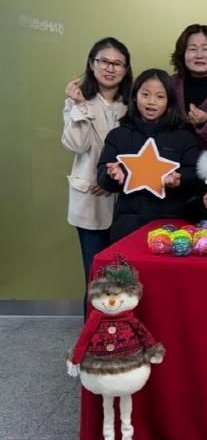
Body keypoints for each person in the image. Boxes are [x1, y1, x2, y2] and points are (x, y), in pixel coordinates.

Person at [62, 37, 133, 288]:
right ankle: (93, 316)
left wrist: (111, 182)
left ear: (126, 69)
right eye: (104, 61)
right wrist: (80, 106)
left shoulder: (132, 105)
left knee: (125, 276)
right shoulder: (77, 101)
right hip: (90, 198)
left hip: (124, 199)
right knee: (96, 277)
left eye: (117, 63)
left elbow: (139, 151)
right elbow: (76, 144)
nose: (110, 68)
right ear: (92, 64)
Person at [97, 69, 199, 242]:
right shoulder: (118, 135)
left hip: (170, 224)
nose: (152, 101)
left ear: (169, 101)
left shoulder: (184, 136)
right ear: (135, 96)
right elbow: (102, 177)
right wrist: (112, 175)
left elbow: (194, 174)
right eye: (145, 94)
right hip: (127, 223)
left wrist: (179, 178)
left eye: (160, 96)